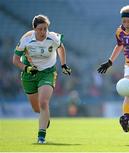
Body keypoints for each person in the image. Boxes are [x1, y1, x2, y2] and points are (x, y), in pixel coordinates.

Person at [13, 14, 71, 143]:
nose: (43, 32)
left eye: (45, 29)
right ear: (34, 29)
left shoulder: (53, 37)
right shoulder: (26, 38)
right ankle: (45, 118)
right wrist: (26, 68)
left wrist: (63, 64)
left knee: (43, 102)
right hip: (30, 73)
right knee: (36, 109)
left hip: (48, 72)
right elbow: (15, 60)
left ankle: (41, 136)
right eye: (40, 29)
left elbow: (61, 48)